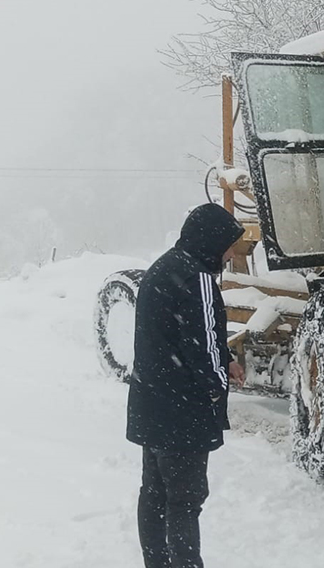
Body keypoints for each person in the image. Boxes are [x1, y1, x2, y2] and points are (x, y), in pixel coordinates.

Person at [127, 203, 246, 568]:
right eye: (229, 245)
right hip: (182, 410)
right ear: (211, 241)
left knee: (155, 494)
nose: (229, 255)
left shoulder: (163, 268)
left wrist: (223, 357)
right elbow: (203, 343)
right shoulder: (196, 278)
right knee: (184, 500)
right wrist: (216, 386)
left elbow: (178, 335)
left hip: (152, 402)